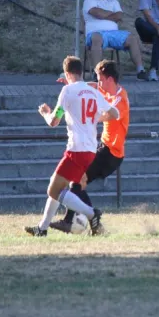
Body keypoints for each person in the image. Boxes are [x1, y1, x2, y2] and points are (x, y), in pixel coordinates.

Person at [24, 56, 119, 237]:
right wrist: (94, 118)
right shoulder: (93, 91)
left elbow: (54, 121)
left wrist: (45, 113)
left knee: (53, 189)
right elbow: (114, 113)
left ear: (67, 74)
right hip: (91, 150)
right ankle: (42, 228)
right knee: (58, 186)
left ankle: (92, 214)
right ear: (81, 72)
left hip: (76, 149)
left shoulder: (67, 90)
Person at [50, 60, 129, 234]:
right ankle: (91, 223)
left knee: (77, 181)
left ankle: (79, 220)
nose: (98, 83)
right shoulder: (105, 91)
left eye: (100, 79)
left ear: (109, 79)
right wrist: (73, 83)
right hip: (103, 147)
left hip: (112, 153)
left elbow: (109, 116)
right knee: (77, 182)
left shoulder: (119, 99)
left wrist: (86, 116)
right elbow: (90, 86)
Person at [83, 0, 146, 81]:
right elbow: (96, 13)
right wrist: (112, 14)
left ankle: (141, 70)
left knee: (132, 38)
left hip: (113, 33)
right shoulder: (88, 1)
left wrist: (104, 14)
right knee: (97, 38)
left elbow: (119, 16)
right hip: (95, 33)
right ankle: (97, 73)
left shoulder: (113, 1)